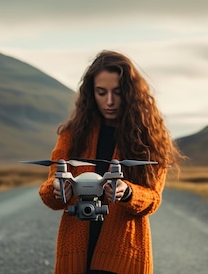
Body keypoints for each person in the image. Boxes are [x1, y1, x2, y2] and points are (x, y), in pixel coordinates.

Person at [38, 50, 185, 274]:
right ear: (90, 93)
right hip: (77, 254)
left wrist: (127, 193)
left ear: (130, 92)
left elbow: (153, 199)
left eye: (117, 92)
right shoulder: (71, 134)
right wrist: (58, 189)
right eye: (101, 92)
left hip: (124, 253)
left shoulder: (149, 138)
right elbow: (50, 194)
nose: (109, 101)